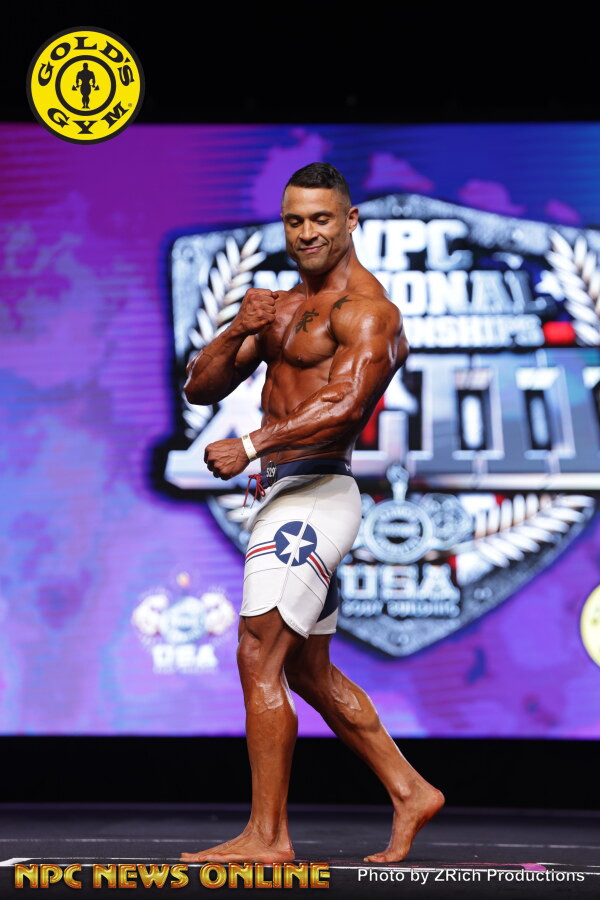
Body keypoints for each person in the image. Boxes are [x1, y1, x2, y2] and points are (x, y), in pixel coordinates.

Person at [180, 163, 444, 864]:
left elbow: (345, 406)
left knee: (257, 653)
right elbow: (201, 388)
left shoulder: (368, 312)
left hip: (316, 494)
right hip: (284, 494)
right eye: (295, 220)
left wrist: (252, 444)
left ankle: (268, 838)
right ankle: (410, 790)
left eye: (322, 219)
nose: (307, 233)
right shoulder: (284, 306)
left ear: (350, 220)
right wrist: (237, 326)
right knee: (306, 672)